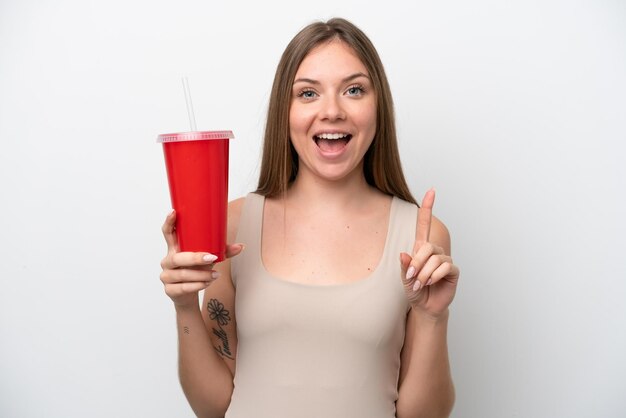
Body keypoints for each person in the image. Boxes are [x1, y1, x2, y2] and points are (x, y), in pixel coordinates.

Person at [160, 17, 460, 418]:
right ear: (285, 110)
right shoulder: (233, 225)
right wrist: (184, 305)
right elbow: (213, 407)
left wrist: (432, 317)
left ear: (378, 107)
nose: (332, 111)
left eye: (354, 90)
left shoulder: (421, 236)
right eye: (308, 94)